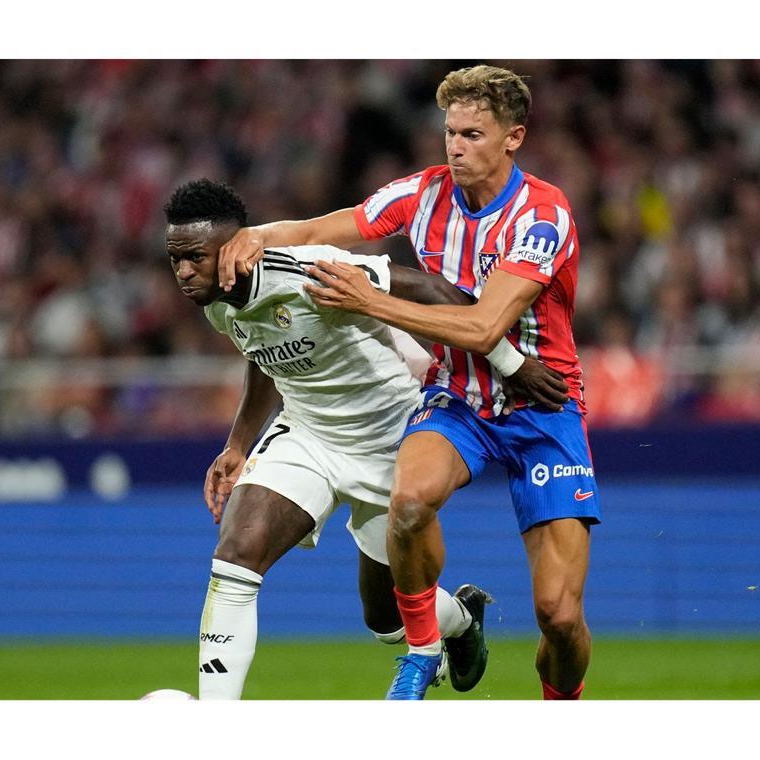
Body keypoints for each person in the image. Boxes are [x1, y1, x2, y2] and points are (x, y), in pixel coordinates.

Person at [217, 65, 601, 700]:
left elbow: (481, 326)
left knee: (558, 617)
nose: (456, 147)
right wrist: (251, 236)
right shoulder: (422, 194)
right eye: (450, 132)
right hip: (458, 399)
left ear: (514, 138)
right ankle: (423, 652)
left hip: (542, 405)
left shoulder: (542, 214)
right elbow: (316, 232)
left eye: (473, 135)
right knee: (409, 501)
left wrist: (372, 299)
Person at [164, 178, 569, 699]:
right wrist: (238, 444)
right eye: (174, 258)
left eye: (195, 257)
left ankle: (461, 620)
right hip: (307, 433)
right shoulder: (216, 299)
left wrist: (509, 363)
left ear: (235, 245)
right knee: (235, 555)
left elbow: (437, 292)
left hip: (388, 437)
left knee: (386, 620)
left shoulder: (310, 270)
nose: (182, 272)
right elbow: (262, 351)